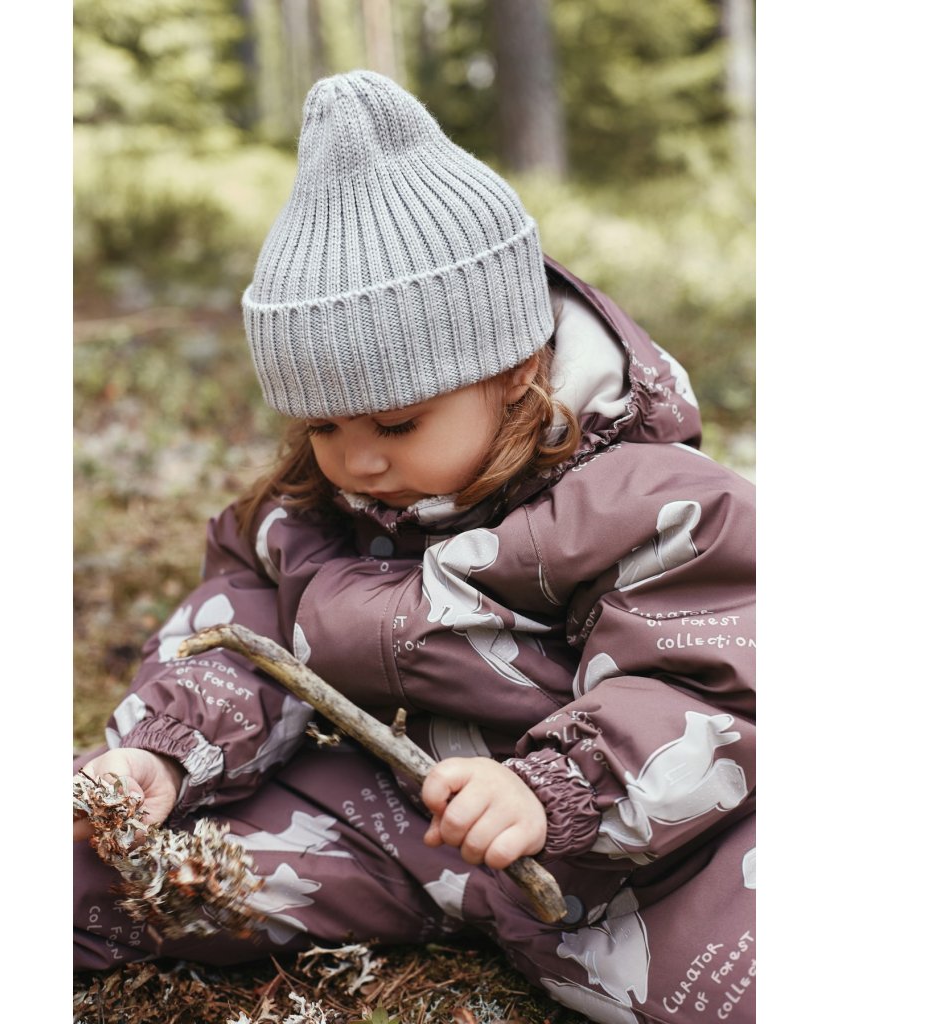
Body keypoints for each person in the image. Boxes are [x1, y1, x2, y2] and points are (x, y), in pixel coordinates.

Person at [74, 70, 755, 1024]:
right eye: (323, 425)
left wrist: (554, 791)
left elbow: (707, 685)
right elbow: (242, 633)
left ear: (516, 372)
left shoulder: (652, 507)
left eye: (396, 424)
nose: (357, 461)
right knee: (92, 868)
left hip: (630, 859)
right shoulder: (313, 509)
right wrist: (168, 750)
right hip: (397, 822)